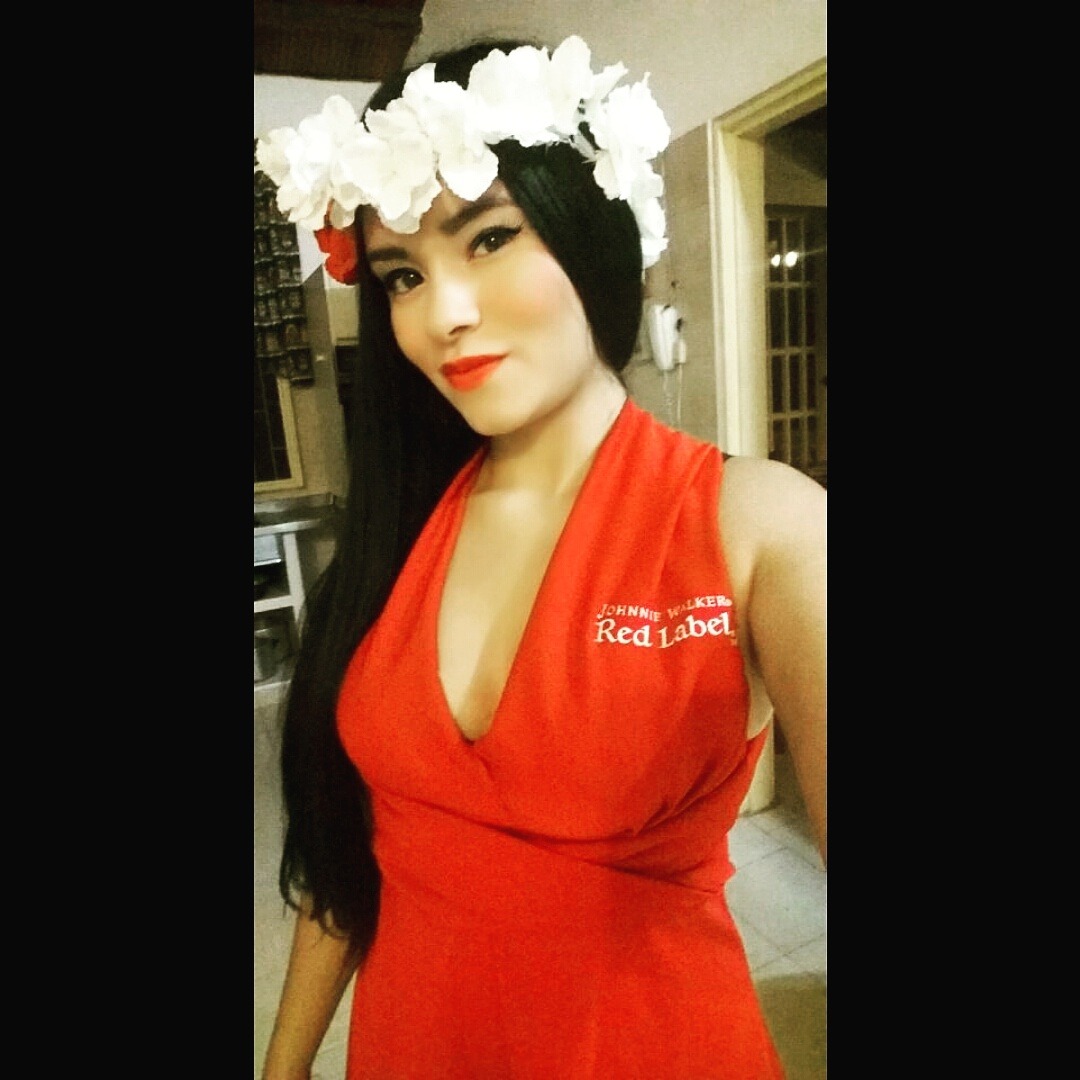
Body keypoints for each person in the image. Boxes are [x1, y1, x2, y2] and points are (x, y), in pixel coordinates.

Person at [256, 34, 826, 1080]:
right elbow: (349, 853)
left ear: (590, 231)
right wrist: (282, 1066)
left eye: (489, 237)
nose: (442, 315)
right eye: (401, 275)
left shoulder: (765, 525)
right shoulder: (395, 533)